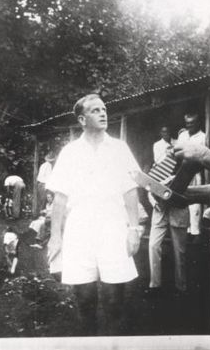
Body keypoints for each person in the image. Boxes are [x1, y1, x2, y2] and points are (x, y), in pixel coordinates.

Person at [46, 94, 141, 336]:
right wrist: (55, 236)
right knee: (85, 301)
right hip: (79, 229)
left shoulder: (120, 148)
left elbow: (130, 192)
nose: (103, 113)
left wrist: (133, 230)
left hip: (113, 227)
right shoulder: (70, 152)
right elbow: (60, 198)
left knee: (113, 301)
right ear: (82, 119)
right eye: (95, 110)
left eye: (104, 109)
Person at [178, 113, 206, 242]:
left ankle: (196, 232)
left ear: (198, 123)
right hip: (181, 171)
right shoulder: (182, 135)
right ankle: (187, 230)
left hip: (195, 172)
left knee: (195, 202)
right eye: (187, 123)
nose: (189, 126)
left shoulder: (203, 137)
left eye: (192, 123)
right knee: (183, 199)